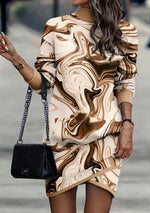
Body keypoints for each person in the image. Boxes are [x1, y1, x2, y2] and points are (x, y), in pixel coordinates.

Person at [0, 0, 138, 212]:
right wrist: (16, 59)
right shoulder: (56, 27)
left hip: (105, 139)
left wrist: (127, 124)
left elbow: (125, 83)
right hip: (61, 142)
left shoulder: (124, 31)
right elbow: (43, 84)